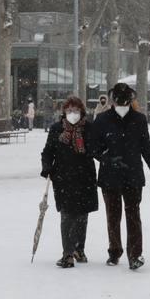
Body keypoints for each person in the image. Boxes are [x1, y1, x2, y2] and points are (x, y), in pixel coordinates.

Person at [92, 83, 150, 270]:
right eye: (118, 98)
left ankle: (135, 255)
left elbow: (146, 148)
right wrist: (107, 158)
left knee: (133, 215)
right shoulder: (101, 120)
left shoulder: (139, 120)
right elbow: (94, 147)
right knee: (113, 216)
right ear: (113, 100)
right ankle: (114, 251)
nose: (121, 102)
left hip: (133, 175)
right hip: (110, 177)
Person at [40, 97, 98, 268]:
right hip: (63, 178)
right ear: (64, 112)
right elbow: (48, 152)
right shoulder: (57, 129)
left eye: (76, 110)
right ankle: (67, 254)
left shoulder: (89, 128)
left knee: (81, 215)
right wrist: (47, 167)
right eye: (69, 110)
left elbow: (96, 149)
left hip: (84, 177)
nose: (73, 113)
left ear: (82, 112)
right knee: (67, 216)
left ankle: (79, 249)